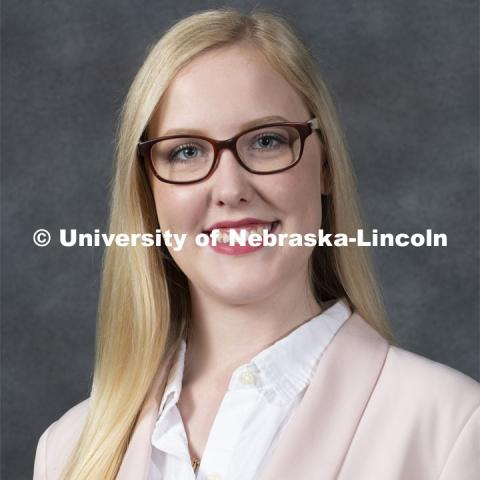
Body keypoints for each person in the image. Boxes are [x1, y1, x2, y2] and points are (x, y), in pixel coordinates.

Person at [33, 7, 479, 480]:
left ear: (325, 165)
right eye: (186, 150)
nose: (229, 188)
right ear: (146, 191)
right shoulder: (67, 450)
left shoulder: (453, 428)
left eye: (266, 141)